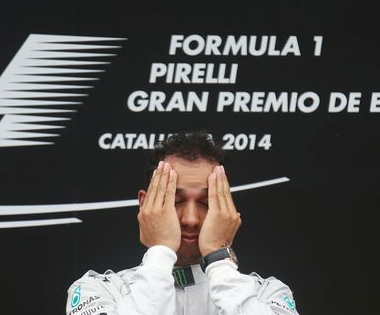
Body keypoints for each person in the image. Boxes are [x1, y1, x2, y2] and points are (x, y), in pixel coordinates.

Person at [66, 132, 298, 315]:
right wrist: (161, 253)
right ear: (146, 204)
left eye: (206, 203)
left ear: (226, 207)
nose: (190, 219)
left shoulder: (267, 294)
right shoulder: (96, 291)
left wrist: (219, 261)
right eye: (175, 200)